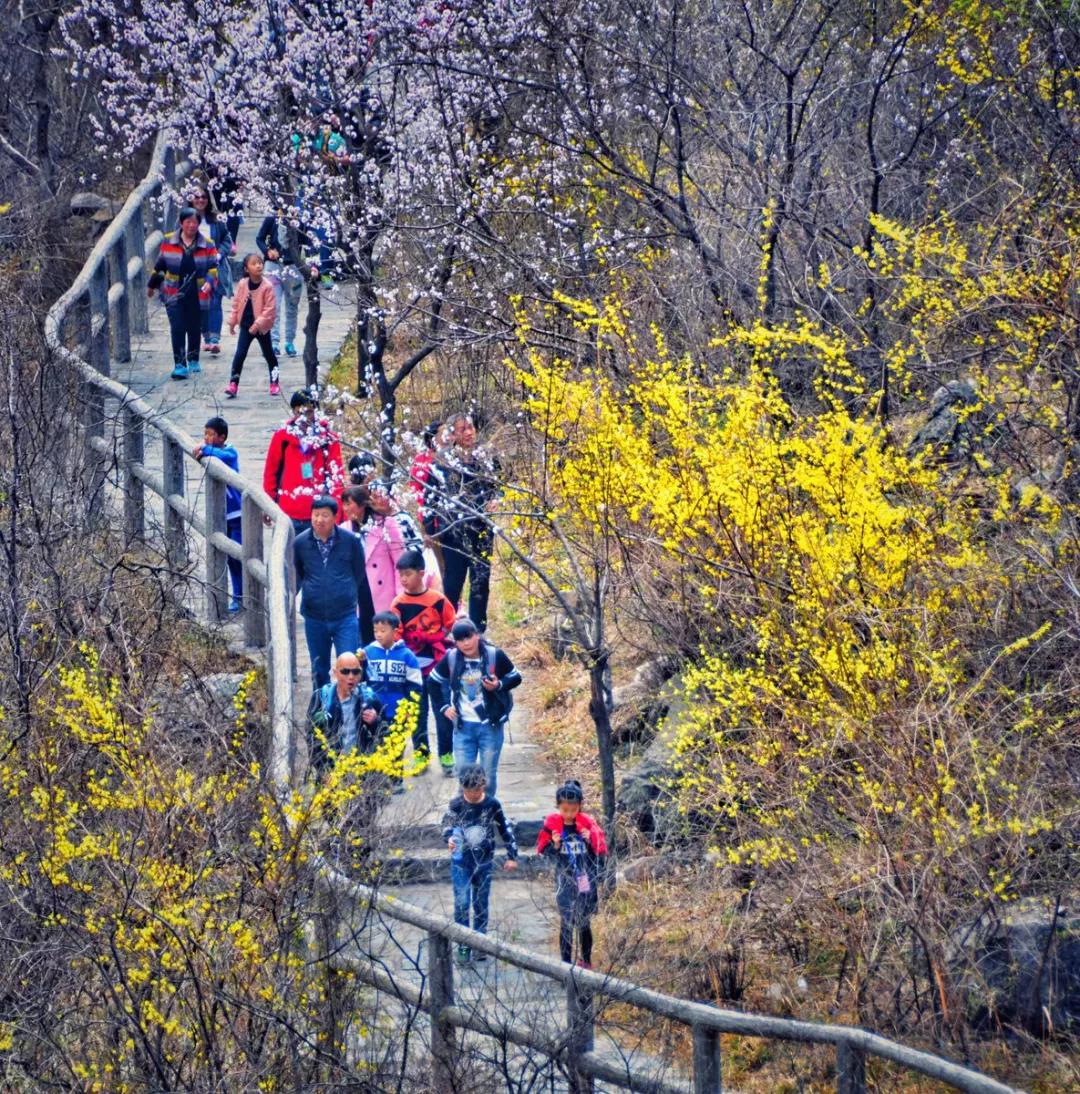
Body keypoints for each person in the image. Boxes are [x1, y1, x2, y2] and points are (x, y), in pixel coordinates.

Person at [423, 412, 500, 631]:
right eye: (462, 429)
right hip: (453, 531)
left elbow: (498, 486)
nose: (468, 433)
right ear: (453, 434)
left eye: (471, 428)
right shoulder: (442, 461)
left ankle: (478, 630)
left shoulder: (486, 457)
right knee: (453, 582)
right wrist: (430, 530)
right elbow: (430, 498)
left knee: (481, 581)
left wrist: (495, 500)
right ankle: (446, 628)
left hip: (482, 529)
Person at [428, 618, 521, 798]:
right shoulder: (452, 658)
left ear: (477, 635)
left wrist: (499, 684)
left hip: (491, 726)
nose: (466, 643)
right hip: (463, 727)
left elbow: (516, 677)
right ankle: (463, 817)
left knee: (488, 777)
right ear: (455, 642)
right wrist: (444, 707)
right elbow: (432, 682)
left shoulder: (495, 655)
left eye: (469, 637)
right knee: (464, 777)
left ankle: (487, 814)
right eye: (460, 639)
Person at [441, 763, 518, 964]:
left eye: (478, 789)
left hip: (484, 862)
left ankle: (480, 942)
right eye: (470, 790)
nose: (474, 794)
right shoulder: (456, 805)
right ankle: (464, 943)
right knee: (462, 902)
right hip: (461, 862)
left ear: (483, 786)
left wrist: (512, 854)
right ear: (462, 787)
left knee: (481, 903)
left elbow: (505, 829)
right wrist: (448, 838)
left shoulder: (492, 804)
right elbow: (446, 825)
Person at [294, 496, 374, 690]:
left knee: (349, 666)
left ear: (335, 517)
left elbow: (359, 573)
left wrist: (346, 592)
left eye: (325, 515)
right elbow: (297, 574)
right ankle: (320, 713)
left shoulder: (350, 542)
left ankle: (350, 709)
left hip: (345, 615)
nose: (319, 520)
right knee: (319, 668)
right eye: (315, 515)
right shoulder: (300, 543)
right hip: (314, 616)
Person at [392, 549, 457, 776]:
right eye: (400, 575)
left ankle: (446, 753)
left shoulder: (438, 600)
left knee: (443, 712)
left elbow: (452, 624)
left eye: (408, 574)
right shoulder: (398, 604)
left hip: (438, 668)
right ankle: (421, 754)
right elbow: (395, 634)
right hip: (411, 669)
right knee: (417, 714)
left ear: (421, 573)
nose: (403, 579)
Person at [536, 780, 608, 969]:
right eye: (565, 810)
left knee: (584, 921)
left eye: (573, 810)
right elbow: (544, 850)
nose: (569, 814)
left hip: (584, 878)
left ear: (579, 807)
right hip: (565, 879)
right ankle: (565, 965)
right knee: (567, 921)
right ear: (558, 807)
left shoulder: (587, 824)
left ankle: (586, 961)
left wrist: (589, 839)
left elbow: (599, 850)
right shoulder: (552, 826)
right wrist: (556, 845)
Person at [147, 206, 218, 380]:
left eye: (195, 222)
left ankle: (193, 358)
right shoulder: (168, 240)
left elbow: (213, 269)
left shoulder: (208, 244)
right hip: (174, 291)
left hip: (197, 291)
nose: (192, 226)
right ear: (181, 223)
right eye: (188, 222)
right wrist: (151, 286)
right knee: (177, 327)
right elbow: (160, 266)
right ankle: (179, 364)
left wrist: (209, 283)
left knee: (194, 327)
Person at [263, 390, 345, 535]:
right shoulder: (282, 438)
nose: (304, 418)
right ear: (293, 412)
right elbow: (271, 474)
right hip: (287, 513)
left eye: (309, 412)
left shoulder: (328, 439)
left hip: (320, 515)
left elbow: (336, 478)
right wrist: (268, 505)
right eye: (299, 412)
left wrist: (337, 516)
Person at [192, 416, 243, 612]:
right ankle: (237, 595)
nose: (206, 438)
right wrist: (204, 448)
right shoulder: (211, 451)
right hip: (223, 513)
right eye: (205, 433)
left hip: (237, 512)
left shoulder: (230, 451)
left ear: (222, 437)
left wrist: (203, 449)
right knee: (229, 558)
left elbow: (224, 457)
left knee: (238, 555)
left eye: (211, 434)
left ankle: (243, 595)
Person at [308, 651, 387, 773]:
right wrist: (323, 771)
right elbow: (311, 737)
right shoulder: (322, 698)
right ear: (335, 673)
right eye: (345, 672)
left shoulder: (369, 698)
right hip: (332, 771)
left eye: (355, 672)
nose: (351, 677)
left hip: (362, 770)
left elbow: (386, 733)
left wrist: (376, 721)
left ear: (360, 674)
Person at [356, 481, 425, 615]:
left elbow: (414, 548)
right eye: (373, 497)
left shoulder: (402, 519)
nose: (375, 501)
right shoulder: (375, 521)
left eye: (379, 496)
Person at [362, 610, 423, 747]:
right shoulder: (367, 652)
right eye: (375, 630)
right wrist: (360, 662)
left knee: (395, 752)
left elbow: (415, 686)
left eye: (383, 631)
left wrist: (409, 708)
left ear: (395, 631)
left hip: (398, 713)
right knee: (372, 748)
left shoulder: (407, 655)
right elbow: (358, 680)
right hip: (373, 712)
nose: (378, 634)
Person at [226, 253, 280, 397]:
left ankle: (274, 381)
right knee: (240, 354)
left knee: (269, 354)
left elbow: (269, 309)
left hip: (261, 328)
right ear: (246, 268)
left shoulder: (267, 286)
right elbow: (236, 304)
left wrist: (257, 324)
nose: (258, 266)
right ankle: (233, 383)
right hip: (246, 326)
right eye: (254, 263)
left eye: (260, 263)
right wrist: (232, 322)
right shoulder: (243, 284)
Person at [255, 211, 304, 357]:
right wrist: (267, 251)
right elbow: (259, 238)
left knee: (292, 306)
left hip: (294, 267)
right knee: (272, 306)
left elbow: (309, 241)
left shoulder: (301, 217)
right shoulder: (272, 217)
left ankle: (289, 341)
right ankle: (274, 342)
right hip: (273, 266)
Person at [190, 185, 232, 355]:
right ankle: (206, 337)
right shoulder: (185, 219)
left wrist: (220, 254)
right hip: (194, 266)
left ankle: (214, 339)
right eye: (196, 197)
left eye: (203, 197)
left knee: (215, 301)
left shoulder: (216, 220)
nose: (200, 200)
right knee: (201, 304)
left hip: (215, 266)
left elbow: (227, 240)